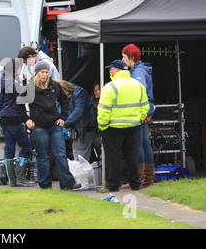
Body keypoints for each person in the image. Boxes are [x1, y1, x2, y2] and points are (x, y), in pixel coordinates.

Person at [16, 61, 80, 190]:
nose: (44, 75)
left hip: (54, 125)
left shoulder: (55, 86)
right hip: (38, 127)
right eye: (42, 72)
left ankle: (68, 183)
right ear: (37, 73)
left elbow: (64, 100)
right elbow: (19, 106)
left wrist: (63, 117)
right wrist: (27, 120)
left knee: (61, 154)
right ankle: (45, 186)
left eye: (46, 72)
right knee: (43, 157)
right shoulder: (30, 88)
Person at [97, 60, 149, 191]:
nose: (110, 71)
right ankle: (135, 183)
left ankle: (113, 185)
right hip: (133, 126)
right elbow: (145, 106)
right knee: (132, 155)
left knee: (114, 157)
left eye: (111, 69)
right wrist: (139, 119)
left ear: (117, 70)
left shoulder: (110, 86)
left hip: (113, 128)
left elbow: (103, 109)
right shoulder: (138, 85)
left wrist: (103, 125)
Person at [0, 58, 35, 187]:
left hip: (3, 118)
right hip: (14, 118)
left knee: (9, 148)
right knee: (26, 147)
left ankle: (12, 181)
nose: (20, 71)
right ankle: (21, 178)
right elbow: (25, 95)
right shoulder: (12, 82)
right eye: (19, 69)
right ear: (15, 69)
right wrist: (25, 82)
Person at [122, 44, 155, 187]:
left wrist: (140, 112)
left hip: (141, 111)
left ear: (131, 58)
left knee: (139, 144)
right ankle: (147, 178)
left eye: (124, 56)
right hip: (146, 109)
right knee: (145, 144)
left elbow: (140, 91)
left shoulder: (137, 72)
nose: (122, 59)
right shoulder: (142, 70)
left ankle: (138, 178)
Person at [56, 80, 93, 162]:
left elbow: (78, 111)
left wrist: (65, 123)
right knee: (77, 151)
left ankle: (82, 173)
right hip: (76, 127)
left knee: (81, 153)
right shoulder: (62, 96)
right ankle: (79, 171)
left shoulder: (79, 92)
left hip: (85, 126)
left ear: (65, 90)